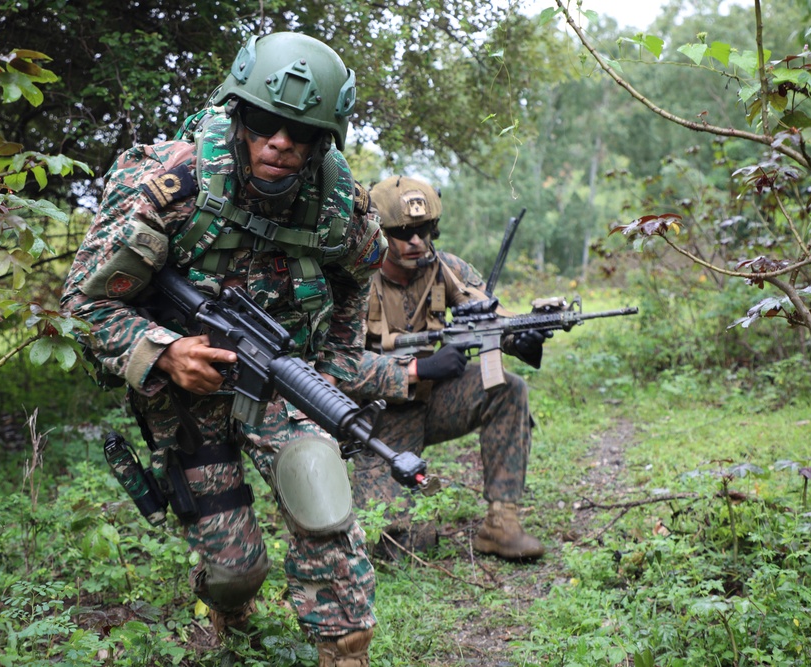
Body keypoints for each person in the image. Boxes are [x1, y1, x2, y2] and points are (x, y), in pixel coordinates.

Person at [61, 32, 386, 666]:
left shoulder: (337, 205)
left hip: (277, 373)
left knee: (322, 498)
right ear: (238, 115)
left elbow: (356, 281)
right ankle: (230, 613)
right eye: (264, 122)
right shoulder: (174, 185)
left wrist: (329, 370)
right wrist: (165, 353)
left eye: (303, 133)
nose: (281, 142)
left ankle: (345, 649)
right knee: (236, 571)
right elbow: (85, 305)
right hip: (185, 390)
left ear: (325, 141)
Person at [341, 174, 547, 561]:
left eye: (423, 230)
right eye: (403, 232)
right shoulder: (355, 279)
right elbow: (338, 365)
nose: (416, 241)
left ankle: (502, 522)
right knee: (398, 547)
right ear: (381, 233)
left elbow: (486, 310)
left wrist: (518, 335)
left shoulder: (446, 268)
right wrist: (419, 370)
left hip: (432, 404)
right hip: (374, 422)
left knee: (508, 387)